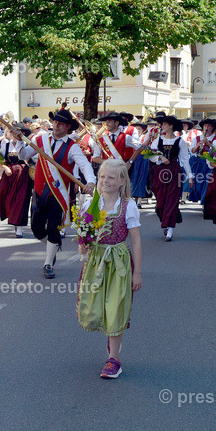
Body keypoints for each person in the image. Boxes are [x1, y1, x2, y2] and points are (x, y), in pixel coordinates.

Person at [76, 159, 143, 379]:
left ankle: (114, 359)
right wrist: (83, 242)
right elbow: (84, 234)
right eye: (102, 176)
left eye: (111, 177)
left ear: (122, 181)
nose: (105, 181)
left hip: (119, 263)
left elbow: (135, 241)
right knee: (98, 306)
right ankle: (112, 341)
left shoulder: (128, 206)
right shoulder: (90, 204)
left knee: (116, 307)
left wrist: (137, 272)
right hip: (95, 261)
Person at [17, 109, 95, 278]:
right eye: (55, 122)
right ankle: (51, 248)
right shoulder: (40, 140)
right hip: (39, 192)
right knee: (37, 229)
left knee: (53, 228)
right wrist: (19, 142)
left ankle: (48, 263)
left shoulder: (72, 147)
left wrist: (90, 181)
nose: (57, 125)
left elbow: (85, 165)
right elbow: (23, 155)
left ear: (68, 127)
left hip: (57, 196)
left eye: (61, 123)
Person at [147, 115, 189, 241]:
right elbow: (150, 155)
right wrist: (160, 158)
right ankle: (166, 220)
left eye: (164, 124)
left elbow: (185, 160)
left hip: (175, 171)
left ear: (171, 126)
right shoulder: (157, 140)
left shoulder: (180, 141)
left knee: (172, 200)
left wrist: (190, 176)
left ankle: (170, 228)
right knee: (161, 202)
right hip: (160, 172)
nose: (162, 126)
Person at [0, 124, 32, 237]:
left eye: (18, 133)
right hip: (9, 177)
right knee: (6, 198)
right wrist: (5, 168)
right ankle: (13, 221)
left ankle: (19, 227)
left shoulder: (27, 144)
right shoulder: (5, 144)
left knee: (21, 200)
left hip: (23, 176)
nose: (15, 135)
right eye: (13, 132)